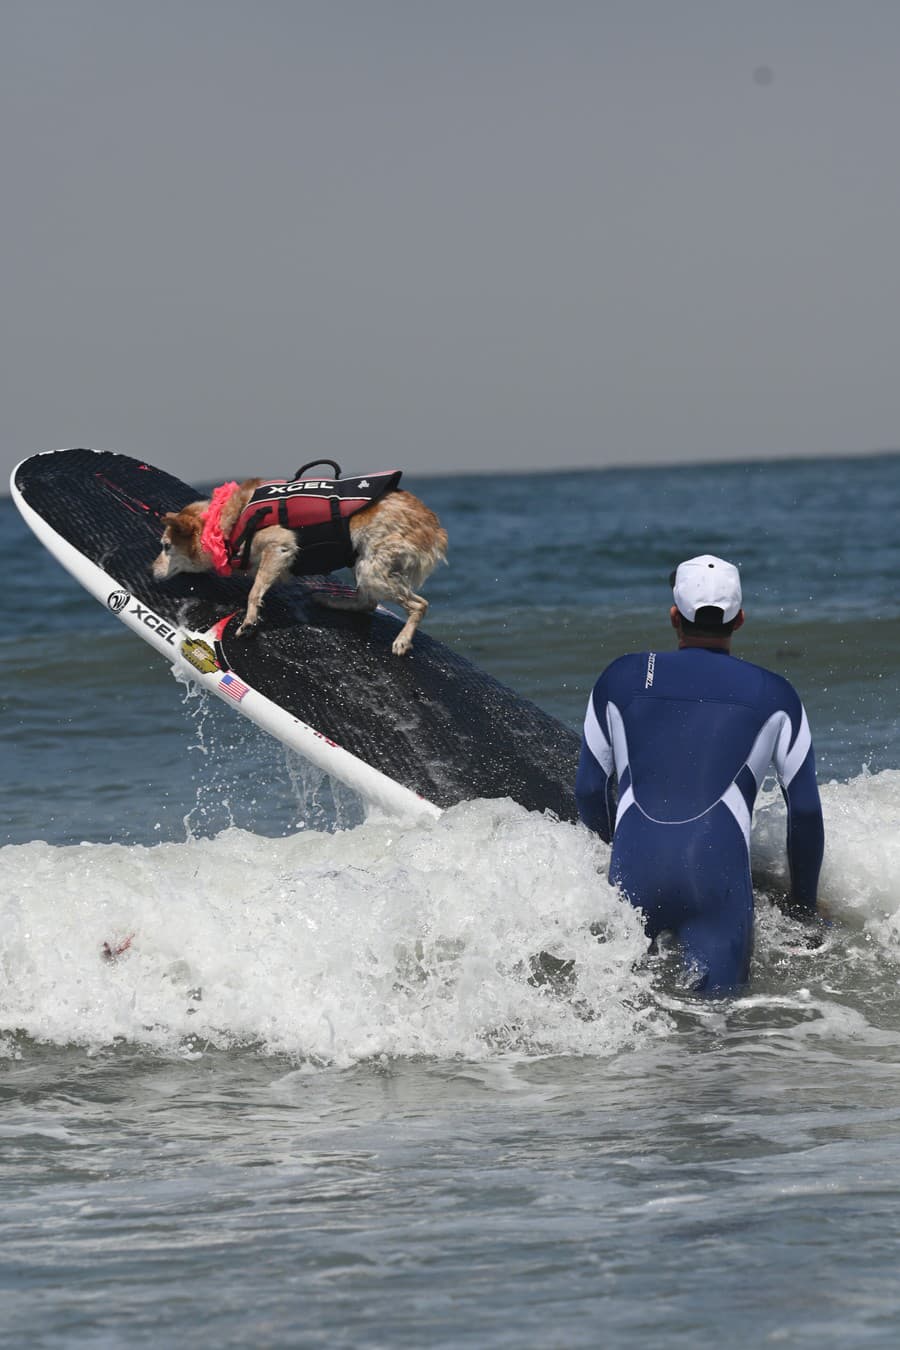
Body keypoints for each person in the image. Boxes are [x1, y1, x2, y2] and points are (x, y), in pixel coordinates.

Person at [575, 554, 825, 995]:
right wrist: (802, 906)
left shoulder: (621, 677)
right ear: (740, 619)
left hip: (632, 875)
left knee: (622, 1032)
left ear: (675, 616)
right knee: (719, 1039)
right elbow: (803, 810)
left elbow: (591, 789)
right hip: (715, 881)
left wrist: (606, 865)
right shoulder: (776, 693)